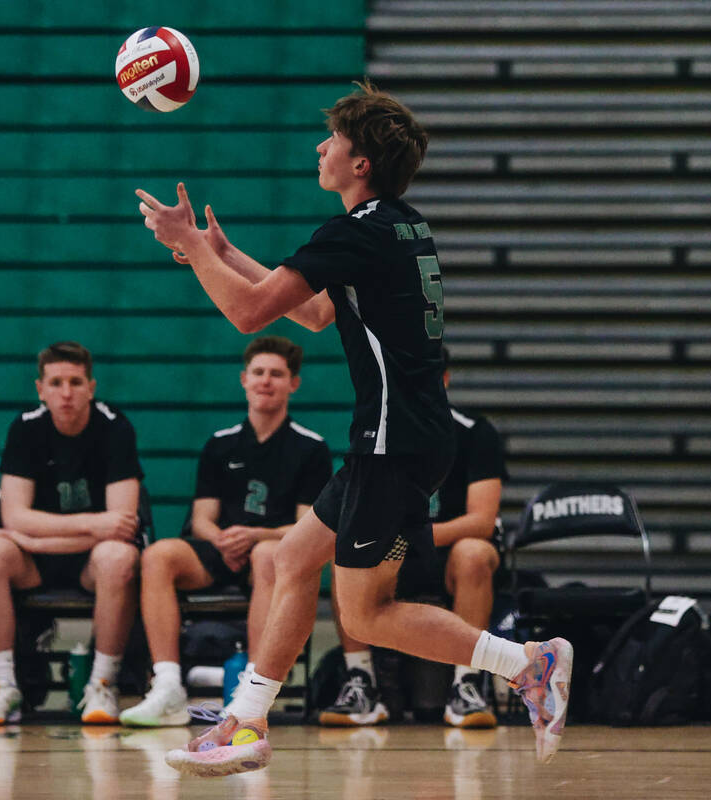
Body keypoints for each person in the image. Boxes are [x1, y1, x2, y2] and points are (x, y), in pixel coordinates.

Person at [135, 81, 572, 775]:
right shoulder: (400, 225)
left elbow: (250, 315)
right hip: (402, 436)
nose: (320, 147)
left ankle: (527, 662)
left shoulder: (354, 233)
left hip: (395, 443)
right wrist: (217, 253)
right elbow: (313, 314)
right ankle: (244, 723)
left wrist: (190, 243)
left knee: (367, 615)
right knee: (289, 559)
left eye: (332, 139)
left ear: (359, 161)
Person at [119, 336, 333, 727]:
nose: (266, 381)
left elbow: (307, 527)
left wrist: (255, 537)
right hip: (222, 548)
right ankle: (167, 685)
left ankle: (249, 688)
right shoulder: (220, 444)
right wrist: (221, 538)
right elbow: (202, 517)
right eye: (258, 373)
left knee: (267, 554)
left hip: (272, 554)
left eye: (276, 374)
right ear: (244, 379)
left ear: (293, 384)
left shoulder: (311, 448)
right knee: (158, 556)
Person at [321, 344, 508, 729]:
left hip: (445, 550)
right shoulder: (378, 433)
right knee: (343, 553)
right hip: (397, 549)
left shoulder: (474, 433)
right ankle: (361, 682)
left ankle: (467, 684)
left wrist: (414, 534)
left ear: (443, 381)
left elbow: (481, 521)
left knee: (474, 552)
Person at [0, 341, 144, 725]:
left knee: (119, 557)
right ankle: (2, 685)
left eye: (75, 382)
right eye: (56, 382)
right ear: (39, 388)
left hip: (90, 561)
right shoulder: (25, 428)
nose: (66, 393)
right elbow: (14, 517)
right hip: (40, 559)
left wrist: (35, 534)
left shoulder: (115, 427)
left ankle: (102, 684)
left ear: (91, 388)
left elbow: (123, 523)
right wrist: (92, 524)